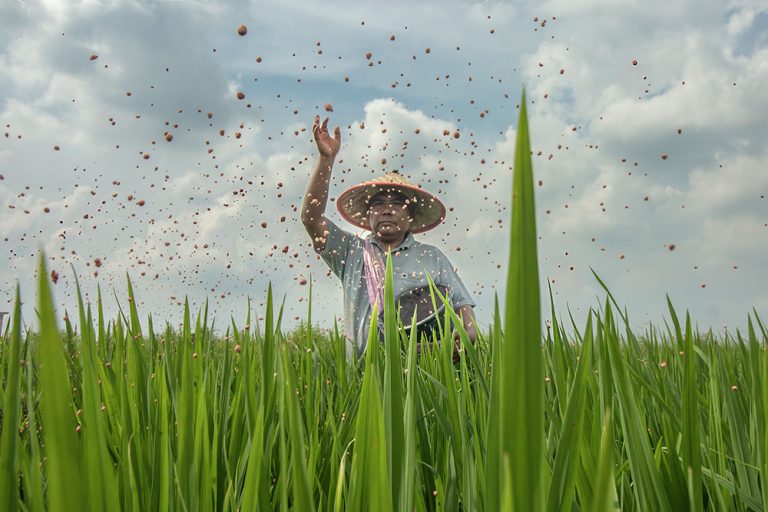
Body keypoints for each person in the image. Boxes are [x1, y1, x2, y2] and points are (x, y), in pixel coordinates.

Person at [301, 115, 477, 358]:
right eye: (378, 203)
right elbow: (312, 219)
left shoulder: (431, 257)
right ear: (368, 213)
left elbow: (463, 312)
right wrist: (326, 159)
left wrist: (455, 343)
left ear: (411, 214)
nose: (387, 209)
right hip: (366, 378)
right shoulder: (352, 252)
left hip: (425, 373)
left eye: (397, 203)